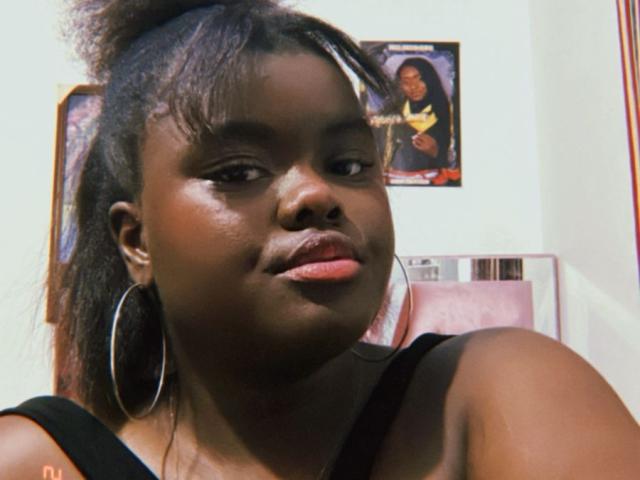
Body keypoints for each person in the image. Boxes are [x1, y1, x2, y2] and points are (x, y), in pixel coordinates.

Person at [1, 1, 638, 478]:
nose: (316, 194)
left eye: (349, 164)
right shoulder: (36, 462)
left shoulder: (494, 395)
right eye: (238, 172)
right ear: (136, 241)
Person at [386, 57, 458, 186]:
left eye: (419, 79)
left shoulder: (451, 112)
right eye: (405, 82)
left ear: (430, 80)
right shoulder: (392, 113)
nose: (413, 87)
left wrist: (437, 153)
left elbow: (458, 166)